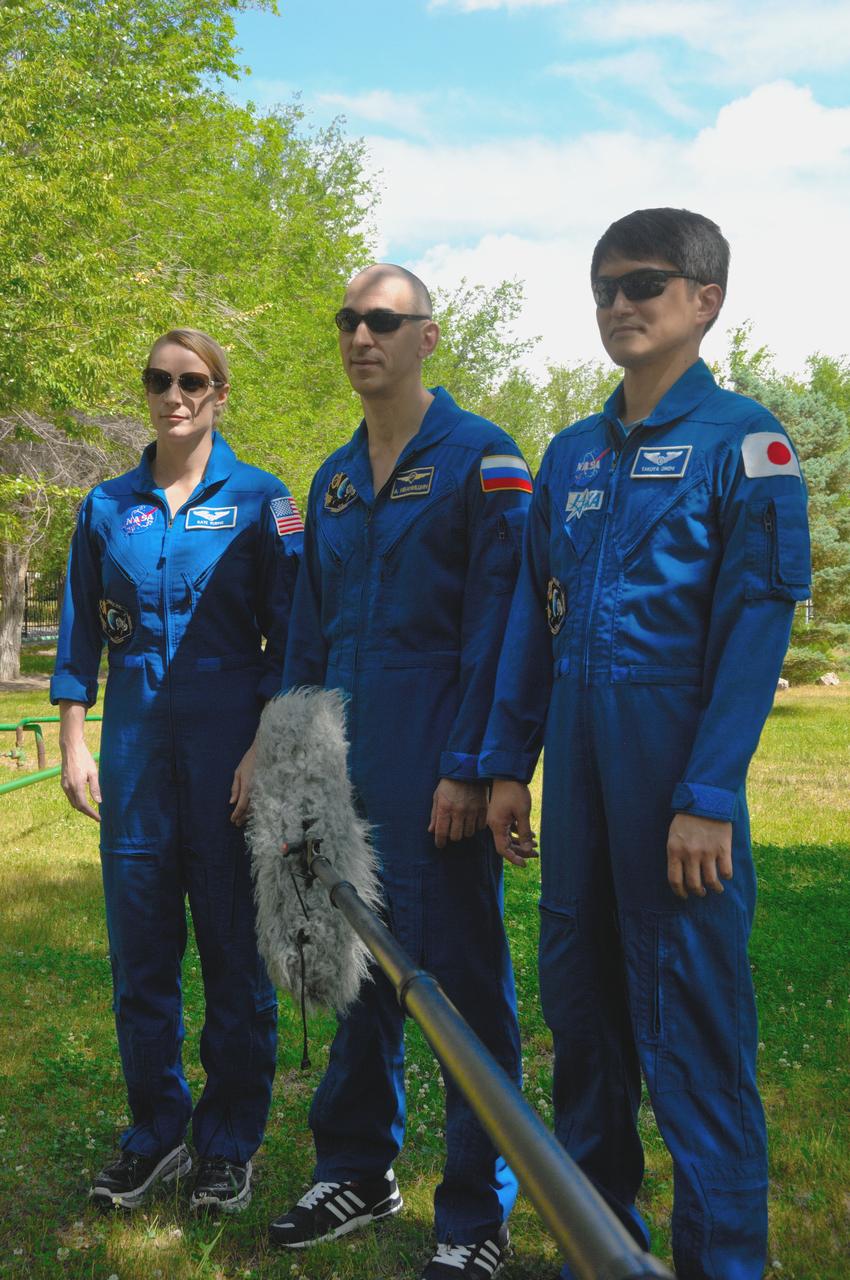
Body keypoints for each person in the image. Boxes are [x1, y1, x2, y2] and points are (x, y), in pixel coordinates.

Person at [483, 209, 812, 1280]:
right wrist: (504, 765)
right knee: (583, 1037)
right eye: (604, 287)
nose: (620, 304)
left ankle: (721, 1263)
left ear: (705, 299)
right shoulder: (570, 452)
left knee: (695, 1048)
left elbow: (753, 627)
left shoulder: (744, 445)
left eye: (646, 284)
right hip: (575, 787)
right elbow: (535, 620)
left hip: (673, 778)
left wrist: (708, 791)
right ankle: (602, 1253)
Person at [268, 265, 530, 1279]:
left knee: (458, 991)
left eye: (382, 319)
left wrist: (473, 765)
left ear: (427, 337)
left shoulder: (482, 461)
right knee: (355, 979)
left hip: (437, 763)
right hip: (342, 768)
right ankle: (356, 1166)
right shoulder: (332, 480)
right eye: (347, 319)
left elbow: (502, 630)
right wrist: (293, 767)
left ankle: (476, 1211)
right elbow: (306, 636)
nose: (359, 335)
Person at [51, 328, 302, 1213]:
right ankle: (155, 1133)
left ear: (221, 393)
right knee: (142, 959)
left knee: (237, 959)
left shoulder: (264, 502)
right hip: (135, 755)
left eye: (193, 380)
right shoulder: (106, 505)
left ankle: (228, 1145)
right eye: (158, 379)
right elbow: (82, 632)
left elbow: (292, 639)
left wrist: (262, 746)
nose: (174, 394)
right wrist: (77, 742)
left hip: (231, 752)